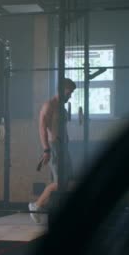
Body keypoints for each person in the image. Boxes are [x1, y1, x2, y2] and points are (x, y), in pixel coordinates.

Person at [29, 78, 76, 224]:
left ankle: (48, 206)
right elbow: (42, 129)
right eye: (70, 92)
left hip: (64, 147)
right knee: (60, 182)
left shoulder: (62, 107)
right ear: (63, 89)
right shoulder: (49, 105)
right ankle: (36, 206)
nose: (71, 95)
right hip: (54, 147)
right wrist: (46, 150)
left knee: (70, 182)